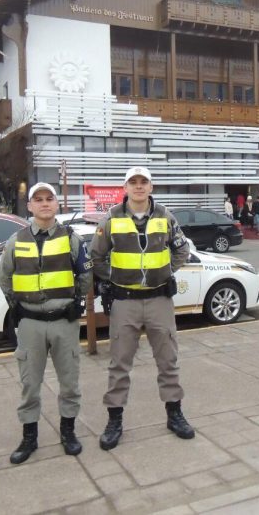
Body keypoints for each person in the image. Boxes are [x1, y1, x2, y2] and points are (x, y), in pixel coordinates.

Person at [90, 166, 193, 451]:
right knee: (119, 364)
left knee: (168, 360)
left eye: (143, 182)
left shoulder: (165, 216)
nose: (138, 187)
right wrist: (114, 278)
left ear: (151, 187)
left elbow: (182, 249)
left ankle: (174, 415)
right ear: (125, 187)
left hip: (159, 300)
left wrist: (165, 271)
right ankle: (114, 422)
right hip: (124, 302)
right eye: (133, 182)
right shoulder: (110, 218)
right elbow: (95, 257)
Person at [0, 182, 92, 463]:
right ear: (29, 206)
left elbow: (85, 276)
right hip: (30, 323)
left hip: (64, 321)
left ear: (56, 204)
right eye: (37, 199)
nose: (44, 204)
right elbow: (5, 278)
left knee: (69, 382)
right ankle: (29, 438)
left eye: (48, 198)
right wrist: (17, 306)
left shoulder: (71, 239)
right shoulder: (16, 241)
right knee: (30, 383)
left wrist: (77, 303)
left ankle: (68, 432)